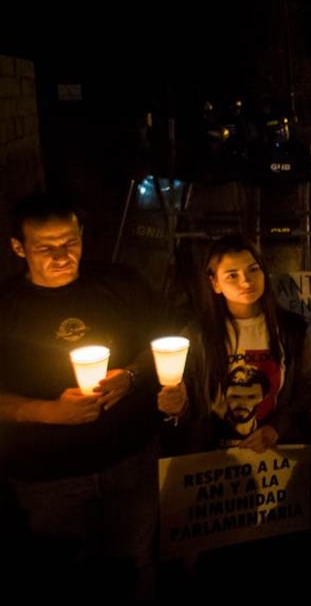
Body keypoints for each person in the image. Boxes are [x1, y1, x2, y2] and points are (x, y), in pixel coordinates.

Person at [0, 190, 165, 599]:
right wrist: (49, 411)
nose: (61, 255)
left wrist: (130, 375)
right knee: (66, 577)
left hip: (130, 461)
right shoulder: (6, 308)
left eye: (70, 242)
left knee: (137, 564)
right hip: (50, 478)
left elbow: (164, 342)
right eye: (45, 247)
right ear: (19, 248)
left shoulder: (120, 284)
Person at [157, 233, 311, 454]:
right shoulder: (196, 336)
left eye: (253, 269)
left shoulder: (294, 330)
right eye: (232, 275)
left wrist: (275, 428)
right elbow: (191, 400)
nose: (246, 281)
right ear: (215, 283)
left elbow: (307, 389)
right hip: (213, 457)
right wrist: (176, 407)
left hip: (276, 457)